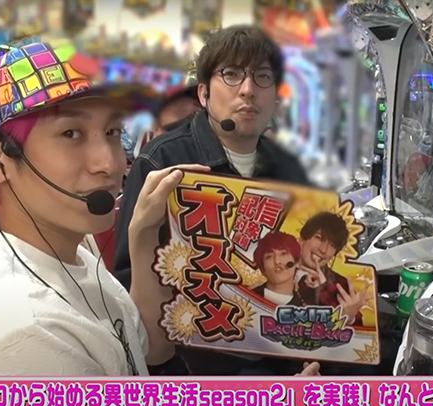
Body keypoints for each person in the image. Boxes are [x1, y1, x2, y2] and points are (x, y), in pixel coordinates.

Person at [0, 42, 319, 378]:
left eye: (111, 132)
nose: (109, 163)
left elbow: (151, 351)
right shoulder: (26, 334)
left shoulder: (71, 255)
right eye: (71, 133)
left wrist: (142, 237)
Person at [115, 25, 312, 376]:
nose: (248, 90)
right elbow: (127, 280)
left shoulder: (290, 169)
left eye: (262, 77)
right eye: (231, 74)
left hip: (274, 353)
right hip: (187, 365)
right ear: (204, 93)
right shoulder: (162, 162)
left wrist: (311, 358)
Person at [295, 212, 368, 325]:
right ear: (302, 240)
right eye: (319, 238)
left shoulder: (341, 286)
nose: (323, 250)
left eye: (332, 245)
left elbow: (359, 331)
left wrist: (349, 318)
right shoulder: (277, 270)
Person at [251, 231, 302, 306]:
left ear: (297, 262)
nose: (277, 261)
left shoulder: (303, 309)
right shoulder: (247, 297)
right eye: (269, 256)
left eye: (283, 254)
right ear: (262, 270)